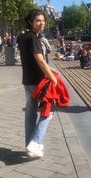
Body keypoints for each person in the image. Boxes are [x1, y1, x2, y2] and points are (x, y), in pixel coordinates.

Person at [17, 9, 58, 158]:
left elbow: (34, 59)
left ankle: (30, 146)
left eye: (43, 20)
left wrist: (52, 69)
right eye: (38, 21)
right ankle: (36, 142)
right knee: (49, 110)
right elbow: (40, 60)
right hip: (38, 82)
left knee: (30, 113)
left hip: (27, 81)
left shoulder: (22, 38)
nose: (42, 23)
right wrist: (52, 77)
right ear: (31, 22)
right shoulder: (34, 38)